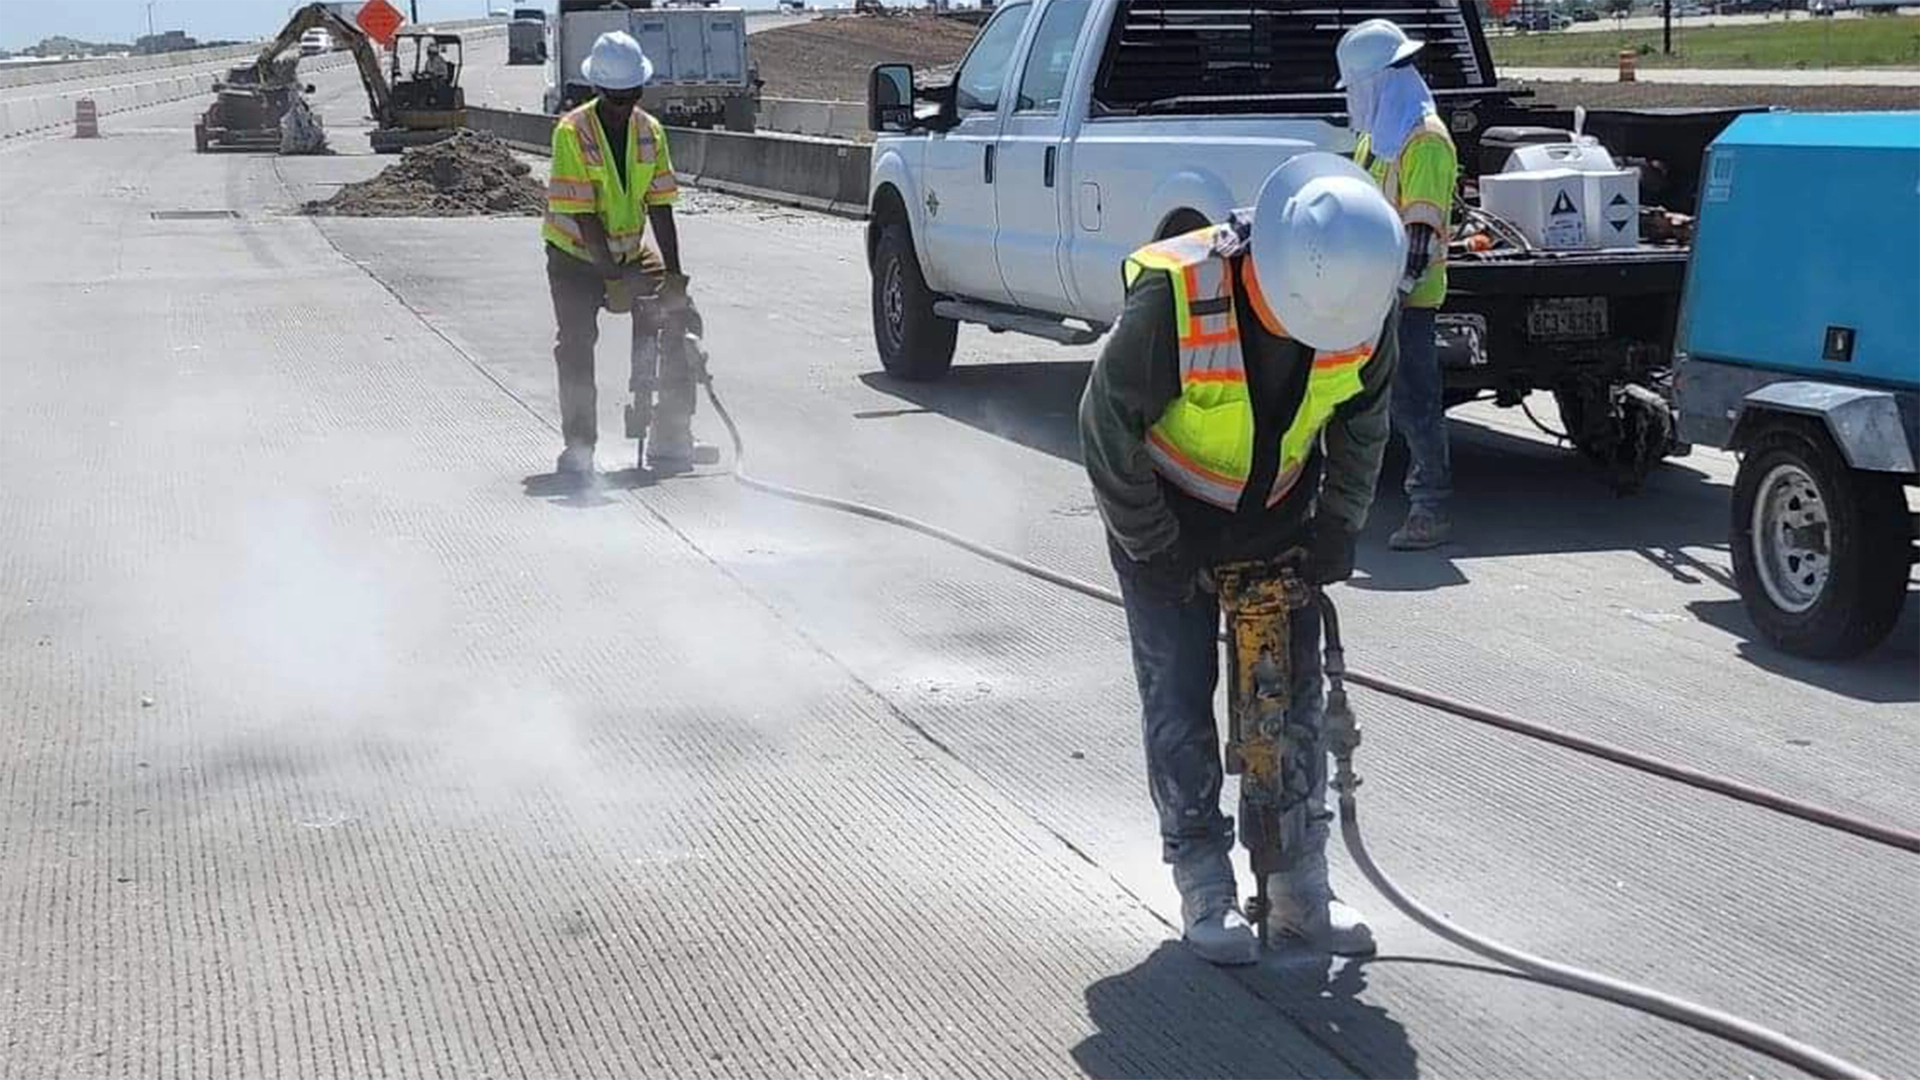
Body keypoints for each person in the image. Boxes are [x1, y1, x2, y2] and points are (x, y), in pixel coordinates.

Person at [1079, 154, 1406, 965]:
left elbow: (1363, 425)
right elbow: (1104, 425)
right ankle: (1203, 880)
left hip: (1278, 514)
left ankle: (1302, 883)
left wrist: (1338, 523)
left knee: (1288, 703)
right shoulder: (1177, 296)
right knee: (1180, 697)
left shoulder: (1360, 301)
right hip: (1168, 514)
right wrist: (1151, 545)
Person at [542, 31, 699, 477]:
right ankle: (579, 445)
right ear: (597, 90)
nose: (623, 106)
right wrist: (611, 279)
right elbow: (584, 214)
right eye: (615, 98)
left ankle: (671, 429)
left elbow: (662, 205)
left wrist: (673, 275)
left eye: (631, 97)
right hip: (575, 256)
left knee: (678, 316)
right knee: (575, 344)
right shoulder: (571, 132)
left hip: (629, 253)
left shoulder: (650, 131)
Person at [1336, 20, 1461, 551]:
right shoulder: (1378, 138)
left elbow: (1420, 231)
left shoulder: (1424, 140)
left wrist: (1395, 293)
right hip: (1369, 296)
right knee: (1357, 401)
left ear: (1379, 81)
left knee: (1414, 401)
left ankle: (1430, 506)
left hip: (1405, 299)